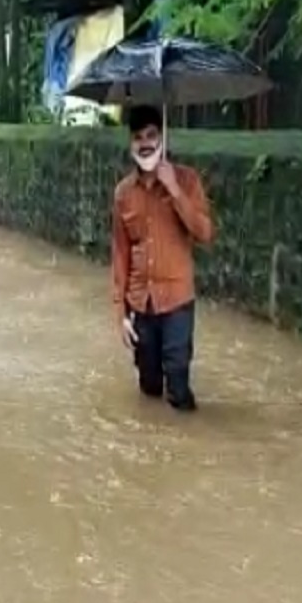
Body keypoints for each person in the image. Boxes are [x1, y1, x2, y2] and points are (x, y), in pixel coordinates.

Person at [110, 105, 214, 411]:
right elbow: (120, 254)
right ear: (131, 144)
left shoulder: (187, 180)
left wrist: (173, 189)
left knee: (178, 386)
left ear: (162, 138)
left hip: (177, 301)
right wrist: (120, 315)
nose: (145, 143)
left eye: (152, 135)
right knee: (149, 386)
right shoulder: (123, 193)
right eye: (138, 137)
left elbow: (205, 233)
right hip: (141, 303)